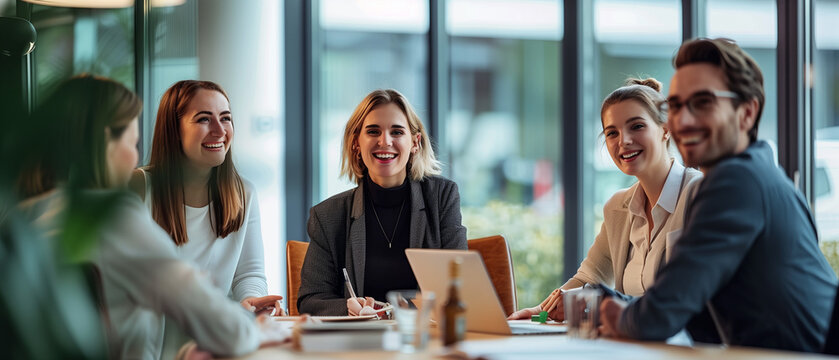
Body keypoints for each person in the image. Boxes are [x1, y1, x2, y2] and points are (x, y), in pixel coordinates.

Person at [18, 75, 284, 359]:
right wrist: (263, 331)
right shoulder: (118, 216)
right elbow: (200, 308)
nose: (135, 158)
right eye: (132, 144)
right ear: (106, 142)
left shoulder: (22, 216)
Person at [598, 38, 838, 352]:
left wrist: (622, 316)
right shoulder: (754, 173)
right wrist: (612, 302)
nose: (682, 120)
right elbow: (695, 310)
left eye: (703, 102)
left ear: (747, 113)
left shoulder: (736, 181)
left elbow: (659, 317)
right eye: (677, 105)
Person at [509, 78, 703, 321]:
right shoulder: (618, 207)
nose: (624, 141)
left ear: (665, 129)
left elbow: (688, 297)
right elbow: (588, 279)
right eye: (612, 133)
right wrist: (540, 312)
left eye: (637, 126)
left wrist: (597, 305)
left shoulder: (700, 194)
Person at [127, 80, 281, 357]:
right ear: (174, 130)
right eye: (203, 119)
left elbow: (249, 273)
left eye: (226, 118)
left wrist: (250, 301)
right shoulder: (140, 186)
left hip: (211, 344)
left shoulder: (243, 192)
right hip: (149, 346)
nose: (220, 131)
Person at [297, 89, 467, 316]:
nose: (384, 141)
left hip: (423, 340)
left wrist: (404, 310)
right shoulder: (328, 215)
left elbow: (460, 285)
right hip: (358, 345)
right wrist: (349, 308)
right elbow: (311, 299)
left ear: (415, 142)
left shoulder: (442, 198)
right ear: (356, 142)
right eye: (373, 131)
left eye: (397, 132)